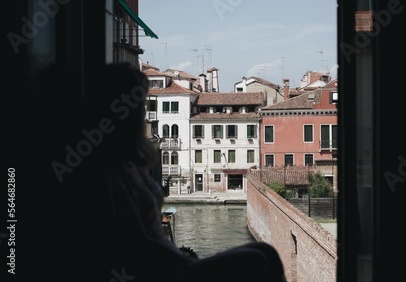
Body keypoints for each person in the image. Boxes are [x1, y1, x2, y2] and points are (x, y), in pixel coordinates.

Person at [79, 63, 286, 282]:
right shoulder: (112, 173)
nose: (143, 111)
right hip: (167, 272)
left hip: (171, 262)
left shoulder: (126, 163)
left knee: (263, 252)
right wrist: (184, 261)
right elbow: (139, 247)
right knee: (262, 258)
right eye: (138, 104)